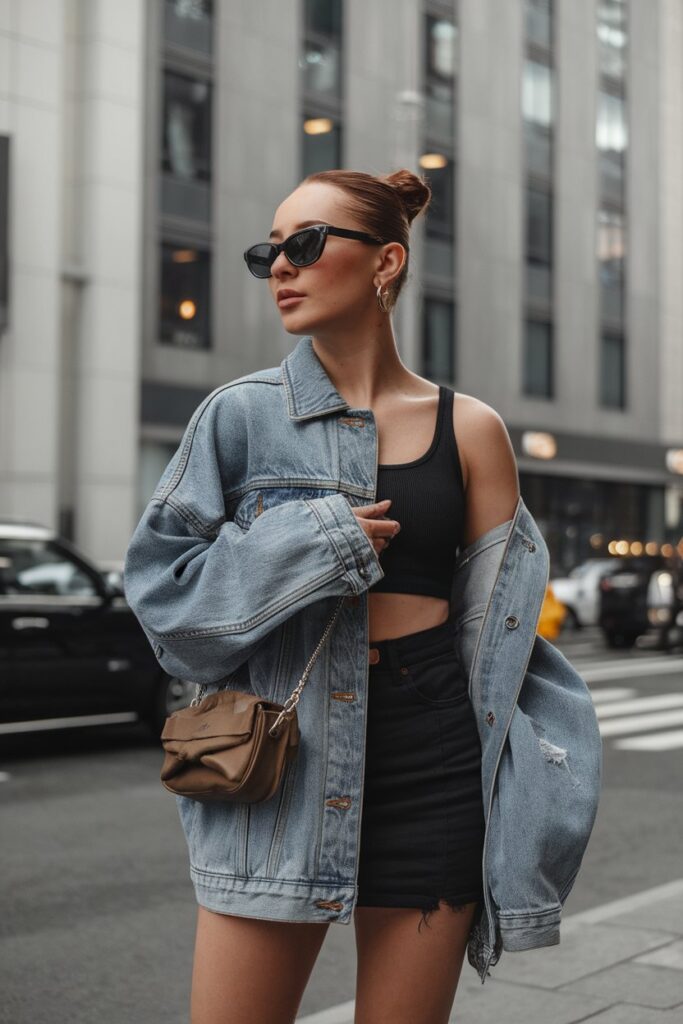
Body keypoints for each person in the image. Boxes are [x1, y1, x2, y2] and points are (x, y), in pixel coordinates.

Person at [124, 168, 584, 1024]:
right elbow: (165, 602)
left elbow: (500, 639)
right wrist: (310, 544)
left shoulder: (471, 429)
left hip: (432, 754)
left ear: (385, 262)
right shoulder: (238, 417)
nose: (281, 270)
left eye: (304, 245)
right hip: (278, 761)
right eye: (269, 254)